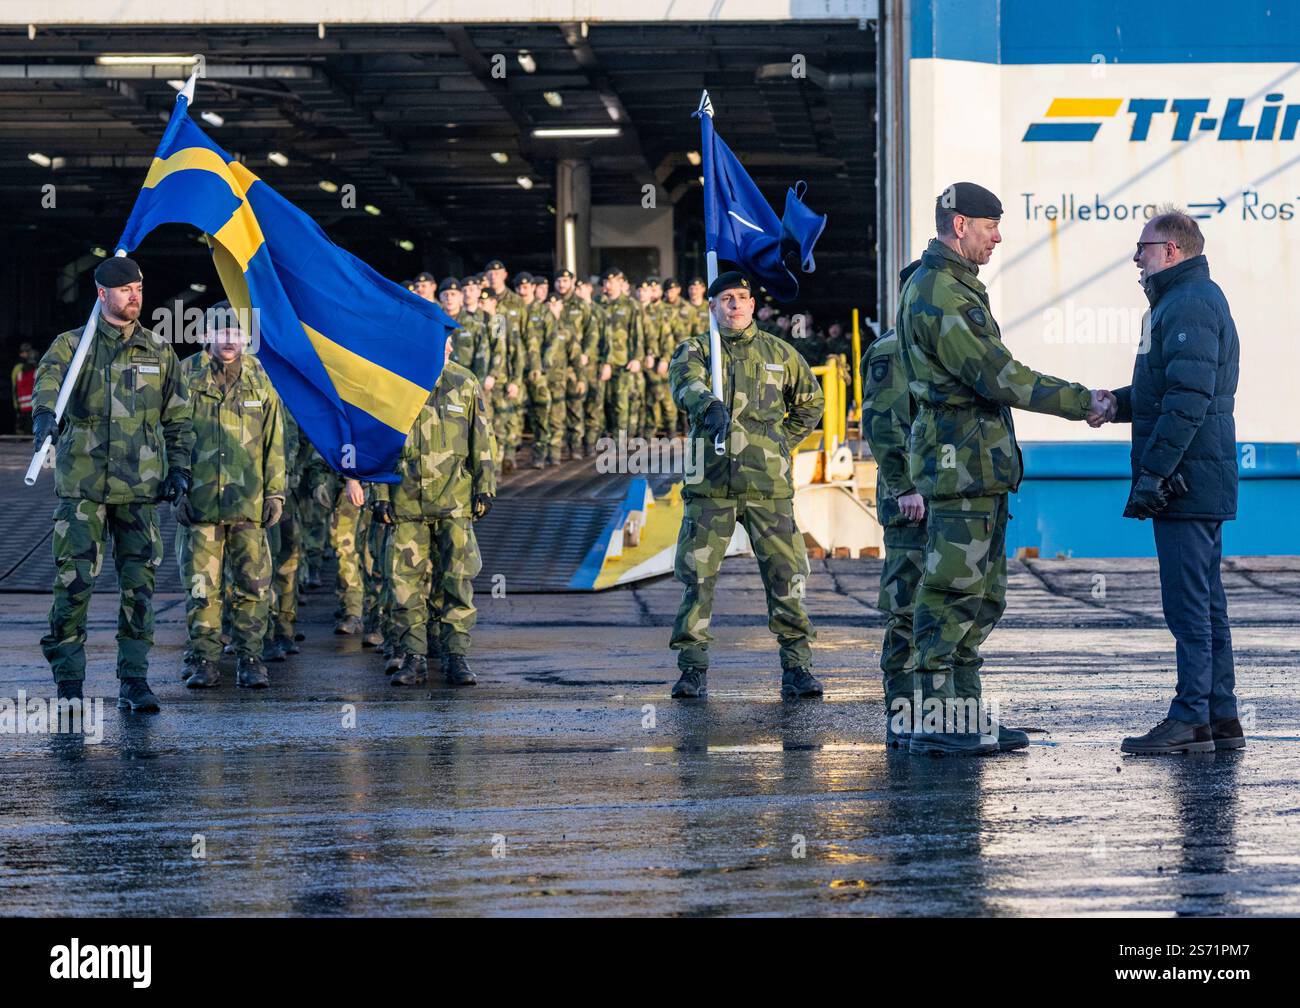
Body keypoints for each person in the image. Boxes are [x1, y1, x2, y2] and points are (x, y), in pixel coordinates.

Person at [897, 182, 1113, 756]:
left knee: (982, 596)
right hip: (959, 464)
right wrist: (1081, 401)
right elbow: (998, 376)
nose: (998, 236)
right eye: (991, 225)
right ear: (960, 223)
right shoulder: (942, 291)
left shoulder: (952, 284)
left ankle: (961, 718)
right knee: (951, 594)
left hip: (975, 465)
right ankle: (936, 721)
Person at [1093, 209, 1242, 756]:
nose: (1137, 257)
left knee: (1188, 606)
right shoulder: (1179, 304)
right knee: (1205, 604)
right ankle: (1220, 718)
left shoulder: (1189, 304)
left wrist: (1156, 473)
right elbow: (1167, 393)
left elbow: (1189, 399)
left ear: (1172, 250)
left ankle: (1190, 719)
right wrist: (1115, 403)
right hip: (1196, 477)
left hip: (1186, 481)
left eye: (1143, 247)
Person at [32, 256, 193, 710]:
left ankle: (134, 680)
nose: (135, 296)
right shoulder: (74, 345)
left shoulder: (159, 352)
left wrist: (179, 468)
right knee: (73, 585)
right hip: (82, 488)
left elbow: (179, 420)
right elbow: (49, 381)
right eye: (125, 290)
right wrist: (45, 414)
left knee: (139, 588)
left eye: (139, 288)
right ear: (103, 294)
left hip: (140, 489)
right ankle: (68, 684)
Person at [667, 271, 824, 699]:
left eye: (741, 298)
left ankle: (797, 666)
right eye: (726, 299)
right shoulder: (698, 350)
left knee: (786, 575)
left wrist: (779, 443)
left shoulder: (780, 352)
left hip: (767, 485)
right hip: (711, 486)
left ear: (753, 305)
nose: (735, 305)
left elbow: (812, 403)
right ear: (713, 306)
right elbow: (686, 384)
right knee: (697, 578)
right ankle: (692, 669)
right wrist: (708, 405)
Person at [371, 334, 496, 686]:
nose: (437, 346)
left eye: (443, 341)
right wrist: (378, 491)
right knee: (405, 585)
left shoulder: (464, 382)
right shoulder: (394, 383)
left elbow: (481, 438)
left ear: (450, 346)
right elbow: (377, 441)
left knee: (457, 580)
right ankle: (413, 657)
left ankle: (456, 655)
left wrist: (485, 487)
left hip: (453, 501)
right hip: (405, 500)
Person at [175, 302, 285, 689]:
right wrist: (177, 488)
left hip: (248, 501)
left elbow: (275, 439)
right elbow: (168, 436)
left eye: (237, 333)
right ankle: (204, 660)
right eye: (221, 332)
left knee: (252, 585)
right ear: (205, 335)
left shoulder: (259, 375)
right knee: (203, 587)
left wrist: (275, 492)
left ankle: (250, 658)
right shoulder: (184, 375)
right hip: (200, 501)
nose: (230, 340)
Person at [861, 260, 926, 747]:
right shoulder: (892, 350)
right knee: (906, 608)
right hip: (910, 503)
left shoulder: (936, 346)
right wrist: (904, 486)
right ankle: (902, 713)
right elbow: (883, 427)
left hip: (943, 497)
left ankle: (940, 711)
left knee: (945, 607)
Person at [11, 341, 38, 434]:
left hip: (30, 406)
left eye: (27, 352)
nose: (25, 354)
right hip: (24, 406)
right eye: (23, 352)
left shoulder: (35, 369)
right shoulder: (19, 369)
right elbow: (15, 388)